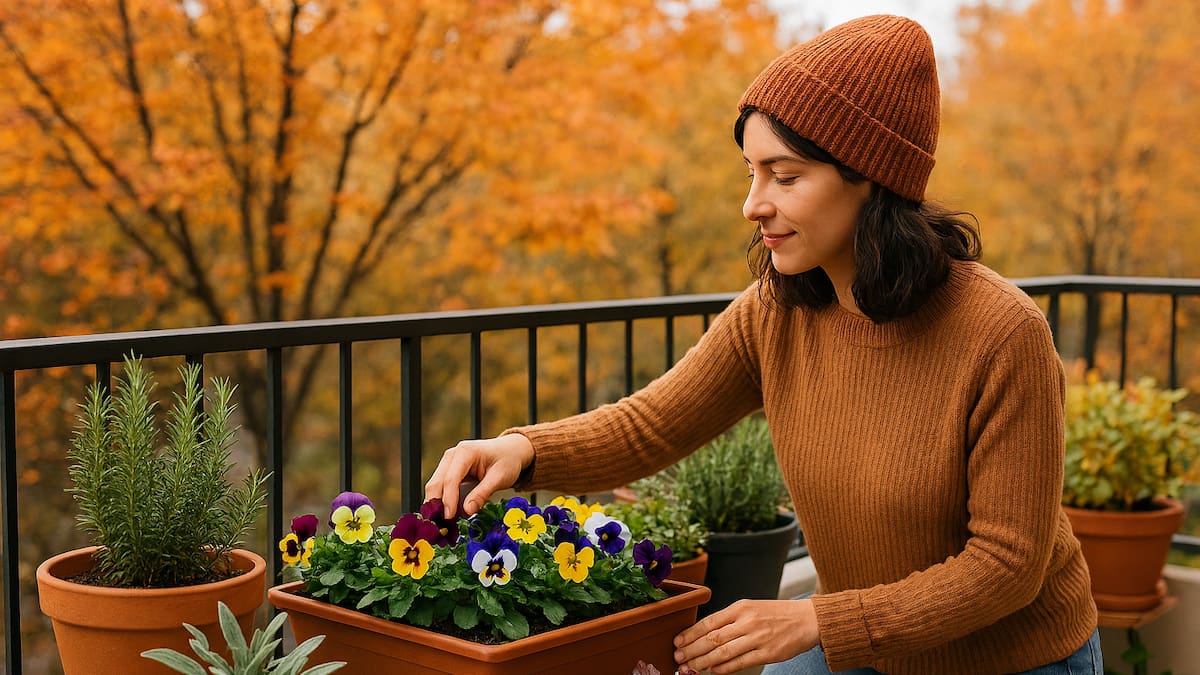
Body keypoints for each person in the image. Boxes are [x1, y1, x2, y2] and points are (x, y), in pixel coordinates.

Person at [425, 14, 1101, 675]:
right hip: (859, 639)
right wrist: (524, 448)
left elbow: (1008, 567)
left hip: (1009, 657)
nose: (753, 204)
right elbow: (651, 425)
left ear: (872, 178)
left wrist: (815, 619)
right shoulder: (777, 310)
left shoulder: (1002, 331)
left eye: (784, 175)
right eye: (751, 171)